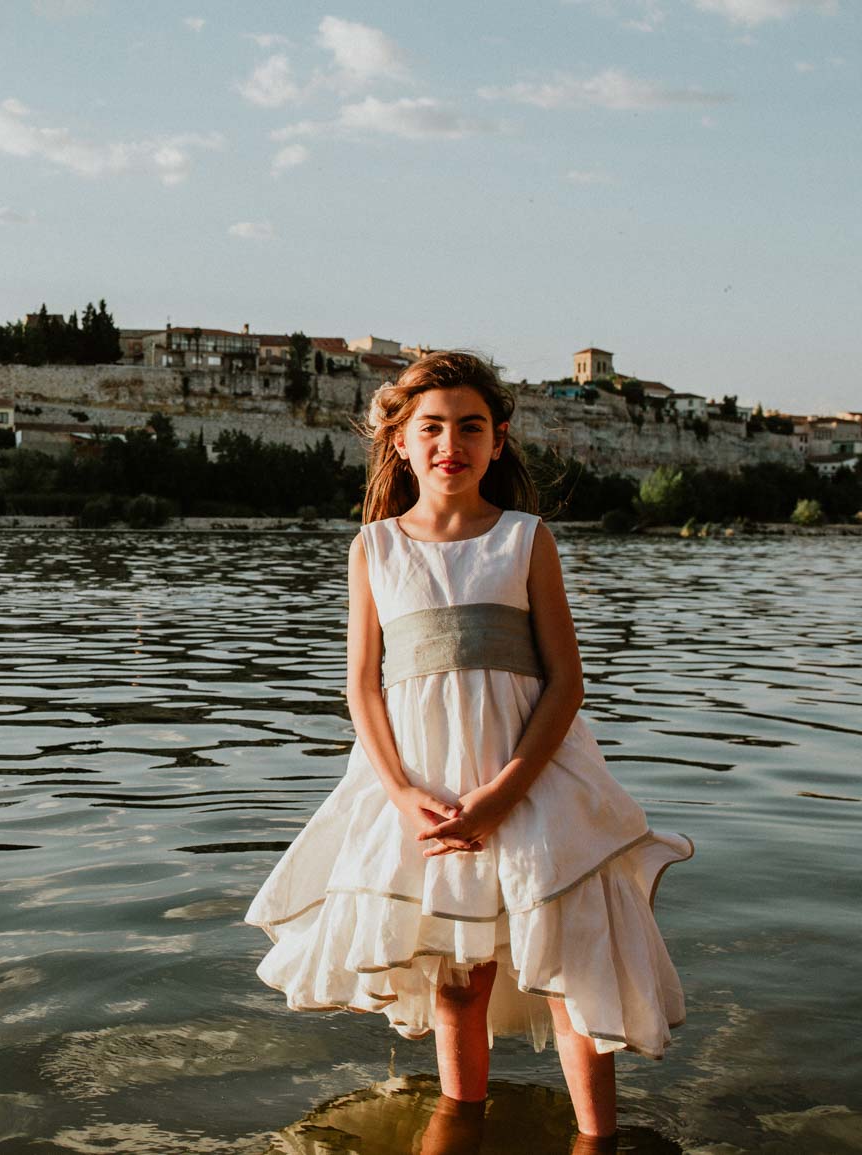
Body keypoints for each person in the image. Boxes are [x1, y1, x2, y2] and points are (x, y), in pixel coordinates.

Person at [245, 350, 693, 1142]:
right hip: (422, 787)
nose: (451, 441)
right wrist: (402, 793)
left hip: (532, 777)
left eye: (470, 426)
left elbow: (566, 682)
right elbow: (363, 689)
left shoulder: (525, 539)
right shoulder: (375, 548)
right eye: (433, 426)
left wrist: (506, 791)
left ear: (498, 440)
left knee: (569, 964)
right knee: (457, 977)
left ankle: (597, 1140)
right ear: (400, 440)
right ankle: (463, 1122)